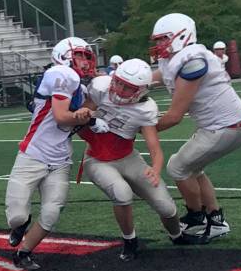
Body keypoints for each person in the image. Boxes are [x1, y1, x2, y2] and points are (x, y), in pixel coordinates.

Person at [80, 60, 198, 255]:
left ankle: (177, 236)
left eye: (128, 87)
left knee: (166, 207)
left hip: (128, 157)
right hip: (97, 158)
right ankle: (130, 241)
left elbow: (154, 147)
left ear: (141, 90)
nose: (119, 89)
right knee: (121, 193)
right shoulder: (100, 87)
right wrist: (86, 114)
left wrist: (156, 168)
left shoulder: (145, 108)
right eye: (118, 82)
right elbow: (80, 115)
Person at [152, 13, 241, 242]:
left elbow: (175, 116)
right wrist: (125, 82)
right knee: (192, 168)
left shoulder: (192, 61)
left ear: (181, 37)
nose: (159, 45)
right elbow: (152, 77)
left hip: (226, 127)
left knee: (177, 167)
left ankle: (197, 215)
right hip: (226, 125)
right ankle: (215, 219)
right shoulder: (178, 59)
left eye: (163, 39)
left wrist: (138, 129)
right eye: (157, 40)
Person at [5, 37, 95, 270]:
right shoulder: (62, 74)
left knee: (51, 213)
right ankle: (21, 224)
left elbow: (78, 119)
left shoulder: (79, 87)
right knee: (16, 216)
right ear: (64, 56)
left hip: (60, 159)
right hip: (33, 154)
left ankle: (24, 252)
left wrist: (92, 117)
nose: (85, 62)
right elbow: (61, 117)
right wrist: (88, 117)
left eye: (87, 56)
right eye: (80, 56)